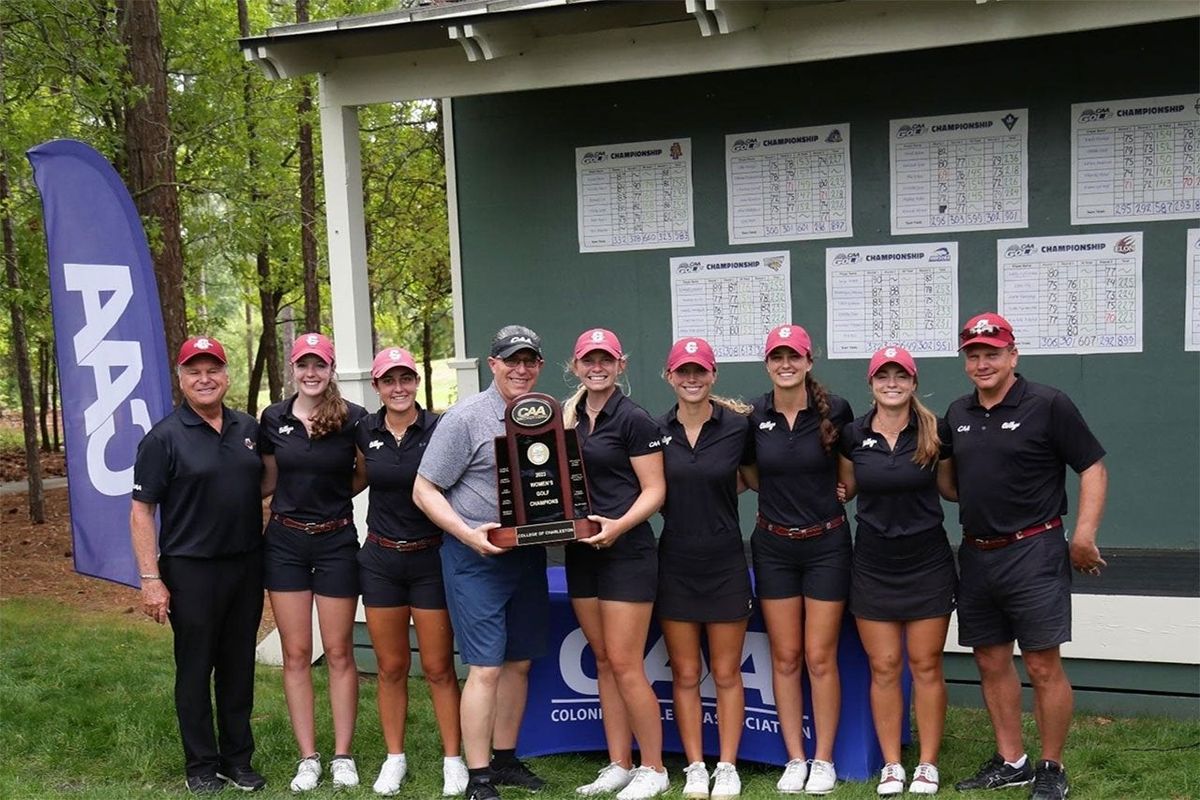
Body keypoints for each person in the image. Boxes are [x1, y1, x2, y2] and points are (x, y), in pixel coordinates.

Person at [946, 313, 1107, 800]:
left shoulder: (1048, 404)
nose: (982, 363)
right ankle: (1011, 759)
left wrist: (1082, 535)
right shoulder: (957, 413)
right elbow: (953, 483)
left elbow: (1093, 467)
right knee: (991, 660)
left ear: (1013, 355)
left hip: (1034, 550)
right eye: (973, 355)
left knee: (1041, 664)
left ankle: (1051, 766)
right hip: (977, 552)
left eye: (992, 353)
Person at [413, 324, 551, 800]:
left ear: (540, 367)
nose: (520, 369)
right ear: (493, 365)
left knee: (518, 664)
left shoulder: (548, 416)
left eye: (529, 360)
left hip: (529, 554)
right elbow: (424, 488)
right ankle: (478, 776)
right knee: (486, 667)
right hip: (476, 557)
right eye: (511, 360)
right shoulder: (466, 418)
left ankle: (507, 759)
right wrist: (466, 534)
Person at [130, 335, 267, 794]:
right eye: (194, 371)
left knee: (238, 667)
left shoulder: (247, 426)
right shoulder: (163, 438)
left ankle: (237, 760)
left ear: (227, 376)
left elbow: (262, 481)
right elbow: (141, 510)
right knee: (195, 669)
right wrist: (151, 579)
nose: (204, 379)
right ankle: (201, 765)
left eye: (213, 370)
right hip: (190, 570)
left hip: (246, 565)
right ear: (181, 379)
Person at [836, 346, 958, 796]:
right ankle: (892, 764)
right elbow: (844, 489)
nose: (892, 382)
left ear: (913, 382)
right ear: (871, 384)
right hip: (872, 562)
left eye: (900, 375)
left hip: (927, 562)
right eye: (883, 375)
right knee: (884, 666)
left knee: (925, 664)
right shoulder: (853, 434)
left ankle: (926, 764)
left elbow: (950, 489)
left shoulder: (935, 431)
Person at [739, 323, 852, 796]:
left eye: (794, 356)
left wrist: (839, 491)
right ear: (768, 364)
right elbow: (749, 473)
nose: (786, 365)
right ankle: (794, 757)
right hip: (774, 546)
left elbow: (850, 472)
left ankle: (823, 758)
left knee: (819, 656)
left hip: (827, 544)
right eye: (777, 357)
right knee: (785, 658)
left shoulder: (836, 411)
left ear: (809, 362)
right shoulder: (754, 415)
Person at [353, 346, 469, 797]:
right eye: (388, 381)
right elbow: (357, 477)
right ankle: (394, 758)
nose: (398, 388)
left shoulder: (439, 427)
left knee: (439, 666)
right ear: (378, 387)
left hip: (430, 558)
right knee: (391, 666)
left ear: (416, 382)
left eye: (405, 379)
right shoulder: (365, 430)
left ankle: (453, 758)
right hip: (381, 559)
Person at [561, 328, 668, 800]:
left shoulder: (635, 420)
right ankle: (618, 763)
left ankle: (655, 768)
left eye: (606, 359)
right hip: (580, 551)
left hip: (627, 551)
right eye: (589, 359)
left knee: (626, 663)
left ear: (620, 364)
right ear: (576, 365)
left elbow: (655, 490)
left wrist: (619, 526)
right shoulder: (564, 418)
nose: (597, 366)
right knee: (603, 660)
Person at [259, 332, 368, 792]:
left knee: (340, 652)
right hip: (284, 543)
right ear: (292, 369)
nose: (310, 373)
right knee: (297, 653)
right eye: (303, 365)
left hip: (336, 542)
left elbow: (363, 472)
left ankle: (343, 755)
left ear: (330, 370)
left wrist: (330, 499)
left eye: (319, 365)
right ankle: (309, 757)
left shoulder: (353, 419)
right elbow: (267, 479)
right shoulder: (273, 418)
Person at [657, 337, 752, 800]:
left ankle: (727, 766)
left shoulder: (738, 427)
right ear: (670, 376)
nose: (691, 378)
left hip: (726, 561)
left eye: (700, 370)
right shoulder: (656, 431)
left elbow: (760, 474)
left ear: (712, 375)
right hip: (675, 561)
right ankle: (696, 766)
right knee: (686, 674)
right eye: (683, 371)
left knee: (727, 671)